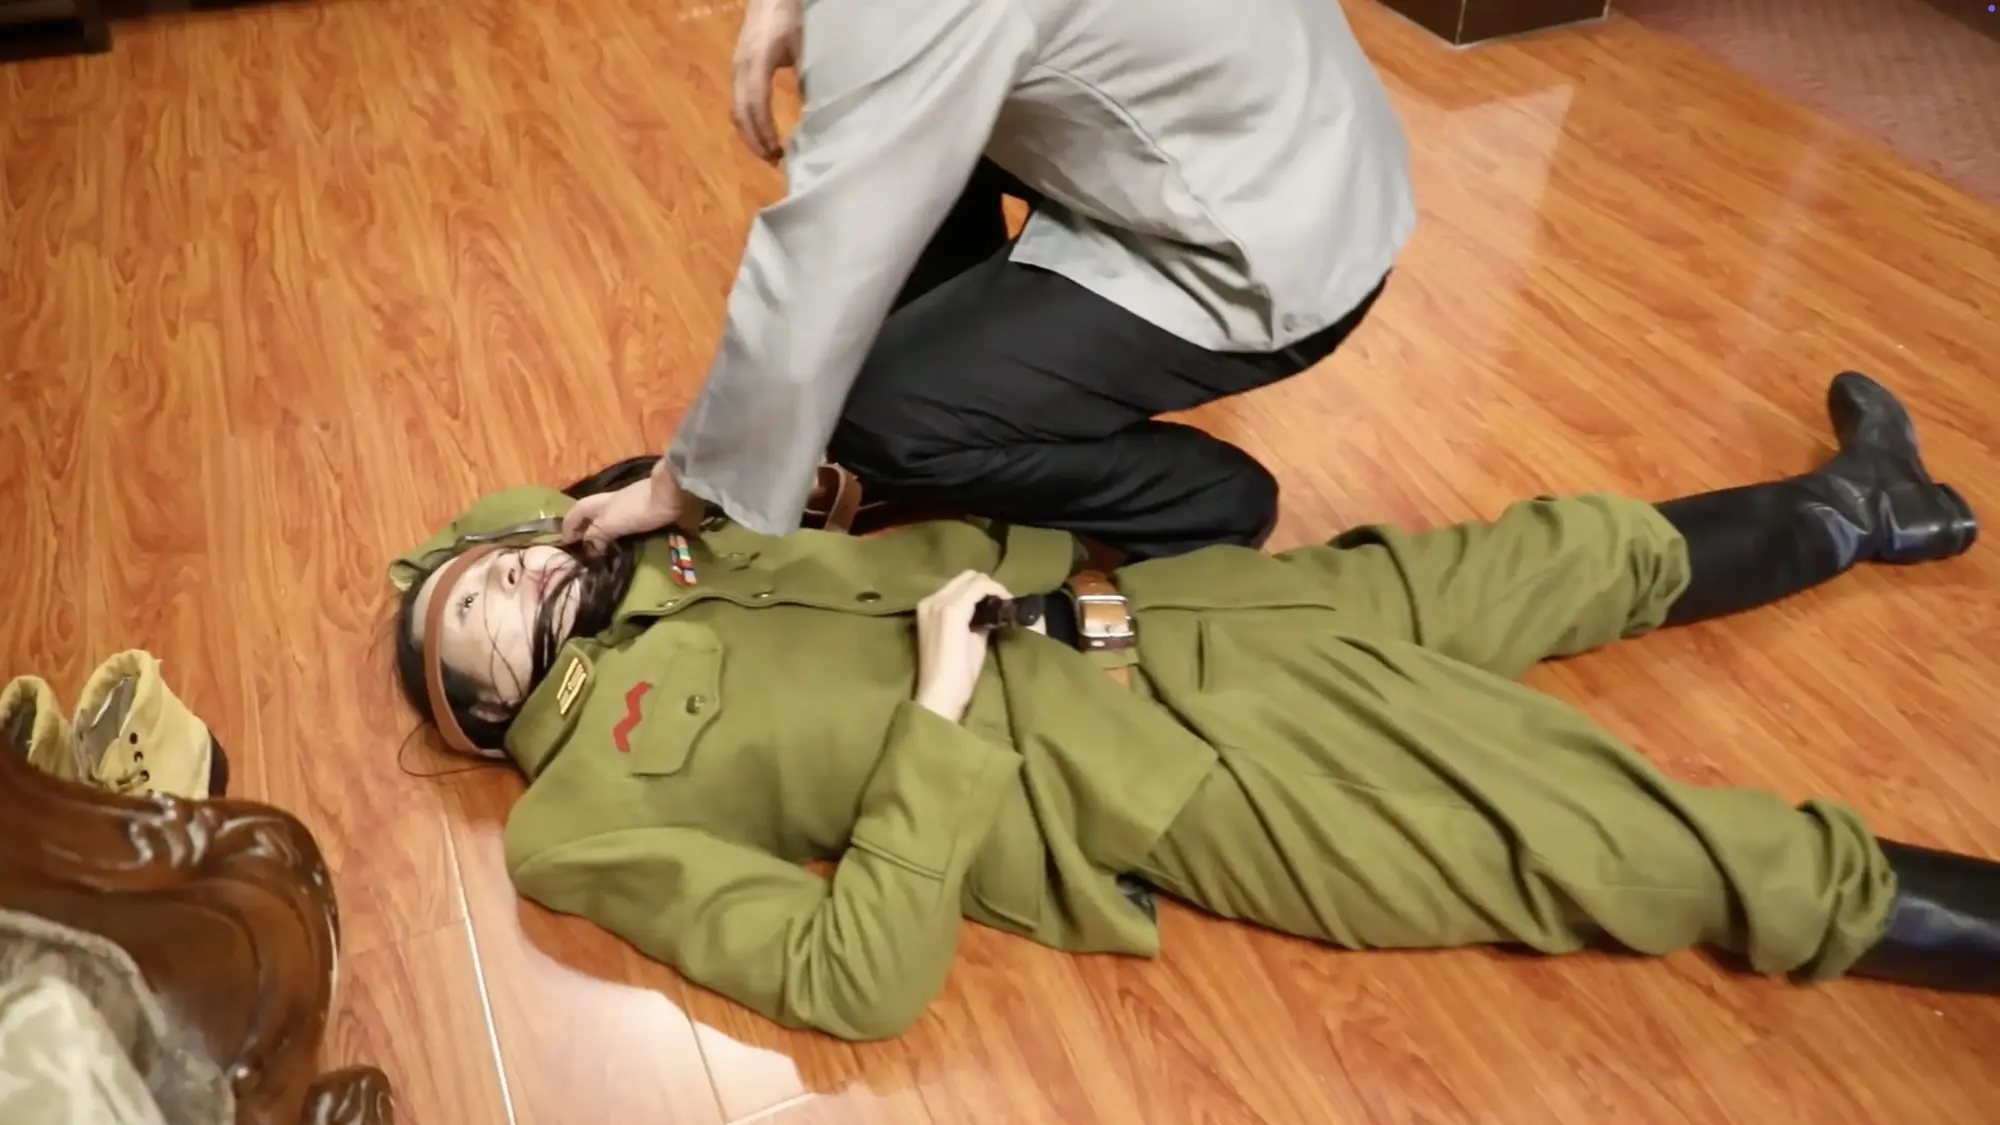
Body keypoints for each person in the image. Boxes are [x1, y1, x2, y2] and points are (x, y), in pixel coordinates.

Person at [388, 371, 1990, 1043]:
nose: (505, 581)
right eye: (472, 616)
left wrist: (590, 523)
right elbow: (848, 979)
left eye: (499, 564)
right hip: (1180, 772)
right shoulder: (576, 820)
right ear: (477, 715)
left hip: (1184, 610)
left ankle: (1865, 504)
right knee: (1625, 846)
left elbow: (541, 510)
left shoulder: (672, 559)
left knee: (1559, 555)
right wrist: (936, 716)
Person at [563, 0, 1415, 561]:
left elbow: (824, 259)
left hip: (1267, 232)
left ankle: (1201, 502)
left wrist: (682, 484)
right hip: (1284, 117)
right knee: (910, 156)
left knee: (875, 412)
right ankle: (977, 390)